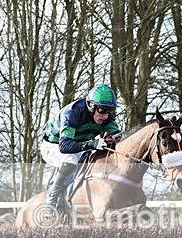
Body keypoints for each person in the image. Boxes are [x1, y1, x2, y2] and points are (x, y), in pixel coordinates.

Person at [40, 84, 122, 212]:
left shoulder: (104, 115)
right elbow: (65, 146)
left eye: (109, 111)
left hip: (77, 145)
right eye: (102, 110)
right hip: (54, 145)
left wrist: (112, 138)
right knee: (71, 159)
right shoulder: (72, 113)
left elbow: (117, 136)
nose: (105, 116)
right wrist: (92, 144)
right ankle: (51, 200)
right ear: (91, 106)